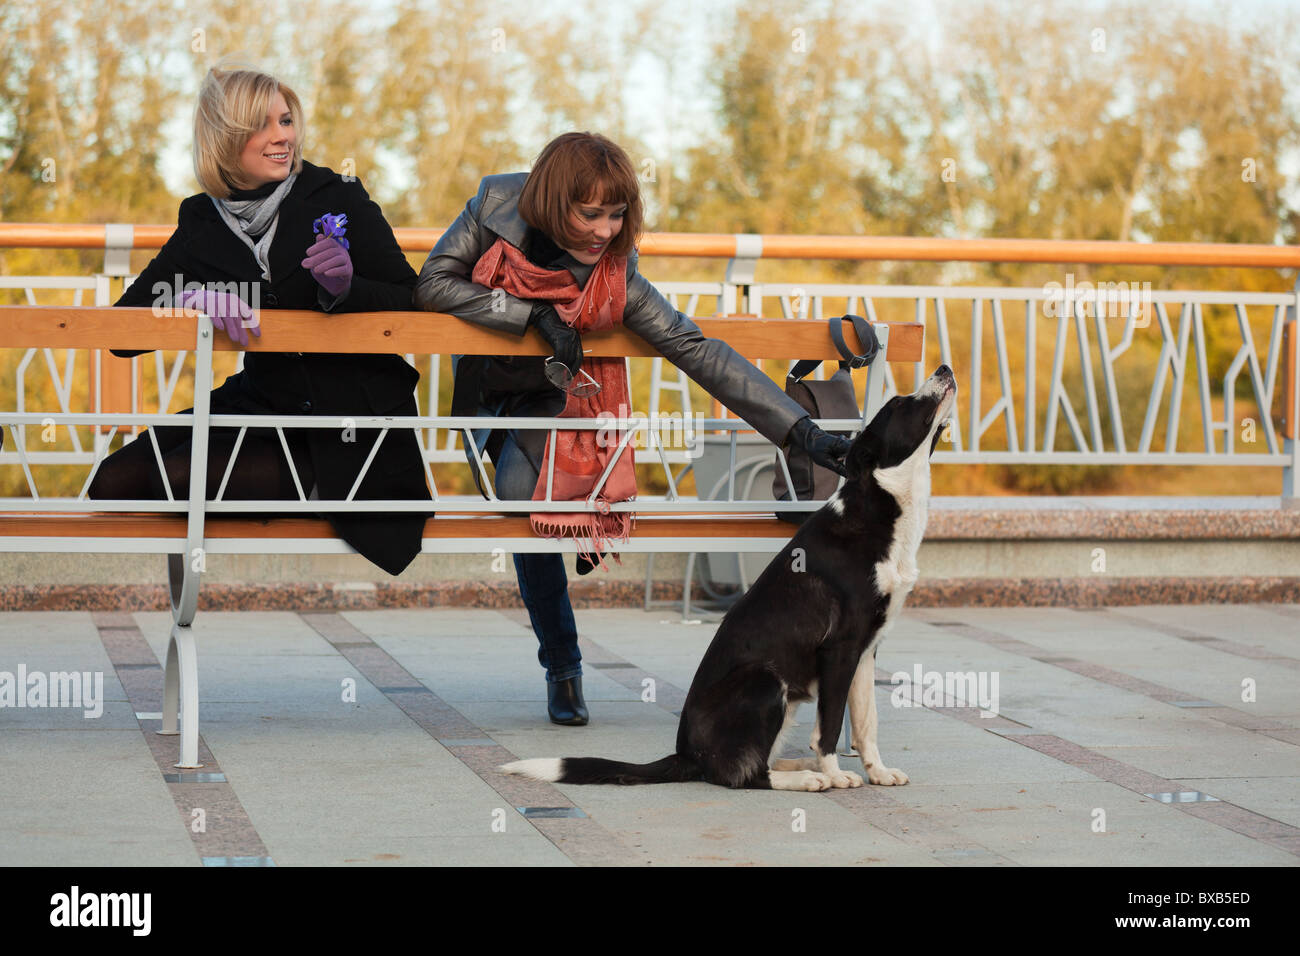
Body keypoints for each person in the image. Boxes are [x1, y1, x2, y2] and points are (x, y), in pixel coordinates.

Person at [415, 132, 850, 725]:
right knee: (526, 504)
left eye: (617, 215)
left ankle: (579, 529)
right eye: (589, 213)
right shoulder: (494, 205)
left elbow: (696, 350)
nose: (605, 230)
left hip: (565, 394)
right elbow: (433, 281)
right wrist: (533, 315)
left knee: (539, 503)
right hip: (497, 389)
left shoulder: (616, 272)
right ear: (550, 201)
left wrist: (801, 433)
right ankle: (563, 665)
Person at [88, 65, 432, 575]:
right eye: (262, 125)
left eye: (287, 121)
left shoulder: (338, 195)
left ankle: (323, 487)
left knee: (185, 475)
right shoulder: (202, 220)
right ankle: (292, 485)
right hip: (259, 408)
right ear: (224, 139)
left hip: (350, 423)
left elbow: (414, 299)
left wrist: (347, 290)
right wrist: (194, 299)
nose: (282, 137)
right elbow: (123, 331)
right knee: (110, 483)